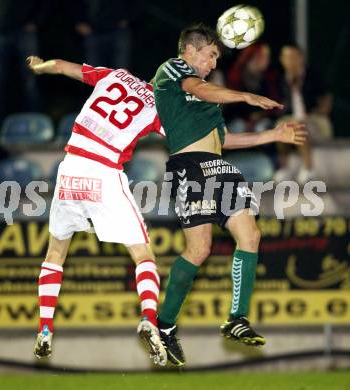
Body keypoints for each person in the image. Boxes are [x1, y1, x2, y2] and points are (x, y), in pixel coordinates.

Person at [152, 24, 307, 366]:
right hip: (189, 167)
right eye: (210, 55)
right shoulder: (173, 69)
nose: (211, 63)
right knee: (200, 249)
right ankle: (164, 326)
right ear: (190, 50)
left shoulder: (208, 98)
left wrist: (273, 136)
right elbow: (199, 87)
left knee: (250, 234)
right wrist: (246, 95)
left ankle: (236, 318)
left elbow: (223, 140)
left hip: (219, 166)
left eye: (215, 58)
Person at [27, 55, 167, 366]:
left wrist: (40, 66)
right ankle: (148, 318)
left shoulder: (115, 75)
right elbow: (186, 142)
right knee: (143, 255)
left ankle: (45, 328)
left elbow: (63, 66)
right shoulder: (160, 107)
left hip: (70, 167)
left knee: (55, 254)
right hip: (104, 171)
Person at [0, 0, 50, 125]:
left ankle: (33, 126)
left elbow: (47, 4)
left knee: (29, 82)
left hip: (25, 32)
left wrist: (37, 21)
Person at [274, 44, 333, 184]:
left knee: (298, 124)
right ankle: (284, 167)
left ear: (301, 58)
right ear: (282, 60)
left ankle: (309, 168)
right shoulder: (279, 80)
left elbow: (327, 100)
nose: (291, 61)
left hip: (315, 120)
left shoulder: (313, 75)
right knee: (281, 126)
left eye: (294, 57)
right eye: (287, 58)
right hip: (291, 119)